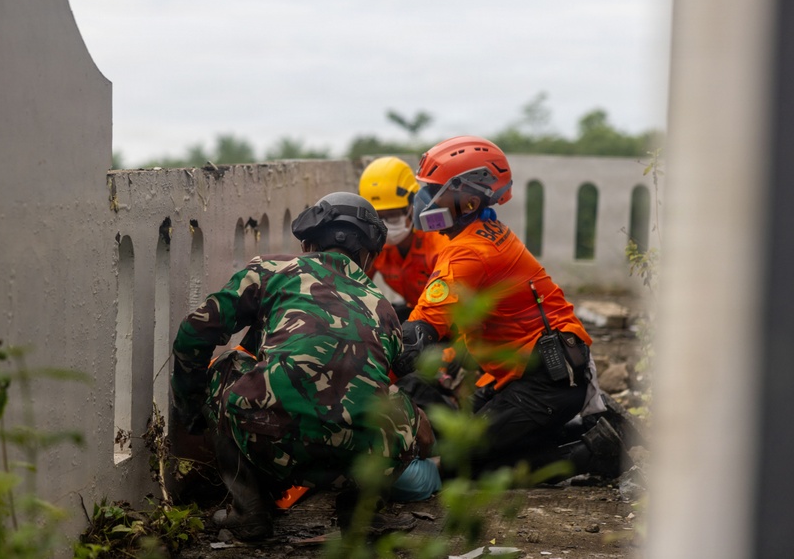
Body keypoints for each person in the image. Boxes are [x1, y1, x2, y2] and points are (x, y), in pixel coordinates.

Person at [170, 192, 436, 541]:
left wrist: (190, 409)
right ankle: (360, 515)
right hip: (358, 460)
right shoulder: (383, 308)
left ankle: (248, 509)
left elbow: (195, 330)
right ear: (369, 255)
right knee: (399, 407)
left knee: (227, 363)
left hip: (267, 440)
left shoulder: (271, 270)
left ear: (308, 244)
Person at [394, 135, 626, 479]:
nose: (423, 200)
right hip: (542, 370)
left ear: (470, 203)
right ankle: (584, 429)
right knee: (466, 436)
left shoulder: (467, 253)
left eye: (433, 191)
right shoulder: (488, 231)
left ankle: (592, 455)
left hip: (546, 382)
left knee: (459, 464)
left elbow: (417, 336)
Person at [358, 156, 450, 323]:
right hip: (416, 310)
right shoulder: (374, 247)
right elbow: (353, 287)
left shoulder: (440, 245)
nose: (384, 226)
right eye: (378, 218)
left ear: (413, 207)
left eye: (392, 215)